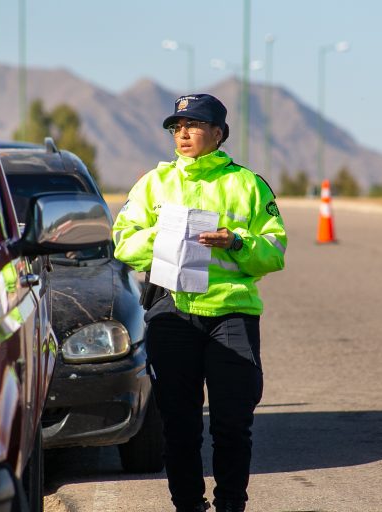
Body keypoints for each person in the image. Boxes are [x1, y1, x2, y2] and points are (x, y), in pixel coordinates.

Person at [112, 94, 287, 512]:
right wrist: (163, 235)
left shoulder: (248, 184)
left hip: (232, 314)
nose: (183, 133)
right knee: (179, 425)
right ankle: (188, 505)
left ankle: (230, 505)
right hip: (172, 315)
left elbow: (275, 250)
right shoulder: (153, 184)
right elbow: (123, 242)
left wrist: (236, 241)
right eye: (177, 127)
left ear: (218, 133)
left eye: (193, 125)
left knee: (232, 425)